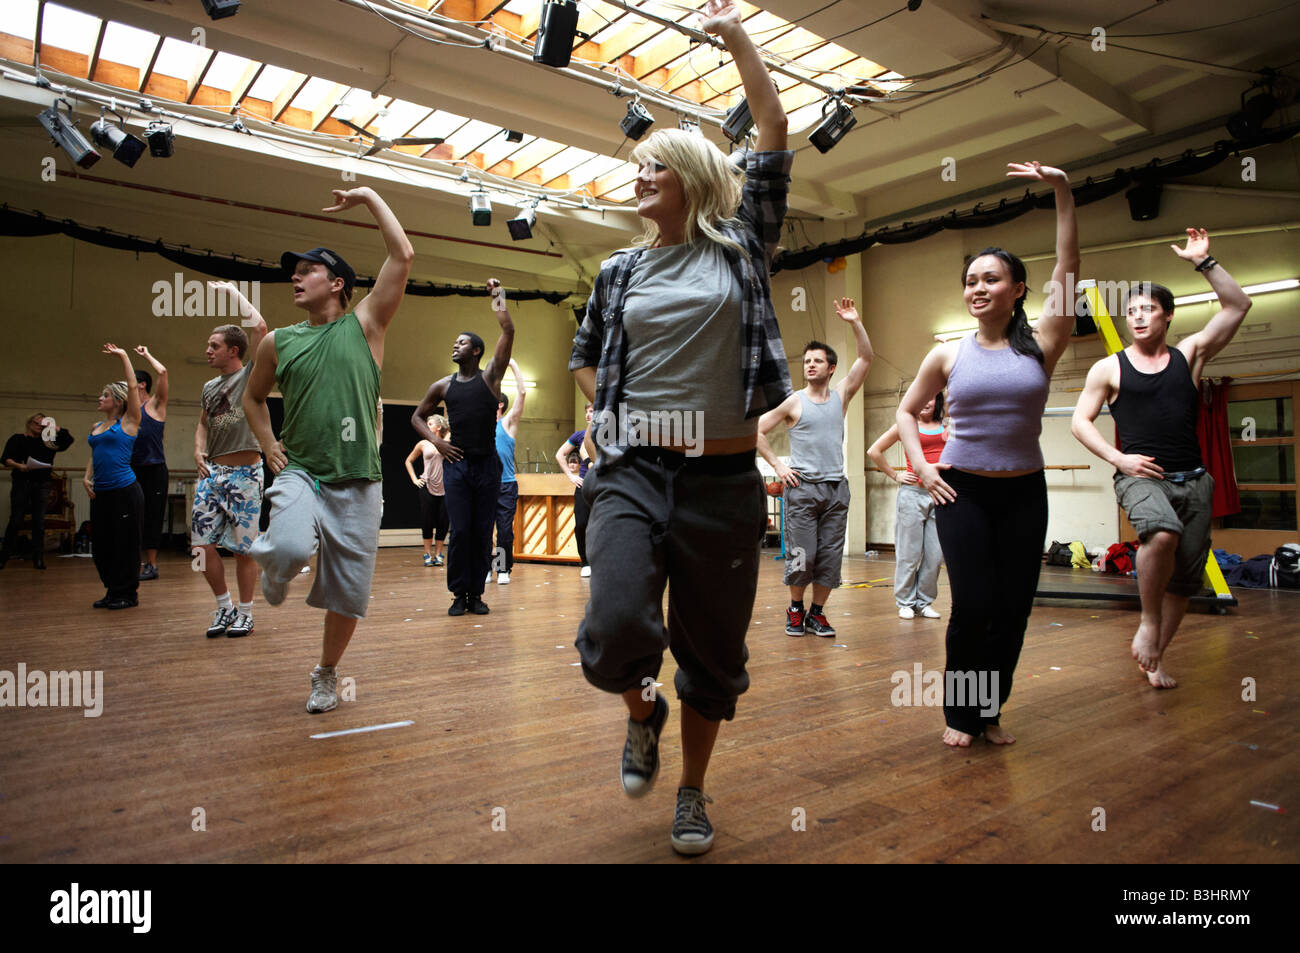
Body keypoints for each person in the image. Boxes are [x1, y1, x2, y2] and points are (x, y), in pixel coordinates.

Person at [568, 0, 792, 856]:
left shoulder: (740, 246)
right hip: (632, 469)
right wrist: (605, 415)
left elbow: (770, 129)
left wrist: (736, 38)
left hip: (723, 480)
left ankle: (692, 793)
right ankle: (640, 709)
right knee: (614, 626)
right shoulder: (619, 269)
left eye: (653, 166)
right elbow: (588, 356)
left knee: (712, 652)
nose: (638, 176)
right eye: (636, 168)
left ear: (694, 176)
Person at [897, 160, 1079, 748]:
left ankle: (991, 709)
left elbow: (1069, 269)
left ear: (1018, 289)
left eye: (991, 278)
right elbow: (905, 412)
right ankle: (961, 712)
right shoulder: (947, 357)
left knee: (1014, 607)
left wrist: (1062, 193)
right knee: (973, 605)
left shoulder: (1043, 344)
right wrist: (923, 467)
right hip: (962, 491)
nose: (978, 287)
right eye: (971, 279)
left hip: (1024, 491)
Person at [243, 187, 414, 714]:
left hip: (360, 479)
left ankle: (326, 673)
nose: (295, 276)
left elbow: (402, 255)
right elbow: (252, 398)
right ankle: (278, 568)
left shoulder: (365, 325)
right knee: (291, 550)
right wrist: (269, 444)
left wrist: (366, 196)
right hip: (303, 471)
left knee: (346, 593)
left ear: (337, 284)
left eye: (307, 270)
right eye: (293, 272)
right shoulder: (278, 342)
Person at [1071, 230, 1251, 689]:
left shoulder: (1188, 355)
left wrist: (1205, 261)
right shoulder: (1109, 367)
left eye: (1147, 309)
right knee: (1162, 532)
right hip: (1141, 476)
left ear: (1167, 316)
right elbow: (1080, 422)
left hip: (1194, 480)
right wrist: (1120, 460)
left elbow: (1238, 306)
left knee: (1186, 581)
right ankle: (1147, 623)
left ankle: (1154, 657)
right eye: (1130, 311)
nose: (1137, 317)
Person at [756, 298, 873, 637]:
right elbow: (757, 431)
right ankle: (795, 609)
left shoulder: (842, 395)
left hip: (837, 488)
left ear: (831, 367)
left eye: (817, 360)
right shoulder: (794, 401)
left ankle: (817, 613)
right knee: (800, 555)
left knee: (830, 557)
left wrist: (854, 322)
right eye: (806, 361)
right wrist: (778, 465)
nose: (810, 365)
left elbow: (866, 358)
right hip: (803, 489)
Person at [411, 283, 515, 616]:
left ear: (476, 351)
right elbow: (417, 417)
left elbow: (508, 329)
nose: (455, 345)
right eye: (455, 342)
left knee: (483, 531)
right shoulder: (443, 385)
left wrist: (497, 296)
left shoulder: (490, 378)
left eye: (462, 342)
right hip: (457, 466)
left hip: (487, 466)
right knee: (461, 530)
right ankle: (458, 594)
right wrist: (437, 441)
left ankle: (477, 594)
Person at [193, 282, 269, 639]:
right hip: (213, 473)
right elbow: (202, 423)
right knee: (201, 543)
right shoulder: (209, 387)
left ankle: (247, 612)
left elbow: (260, 329)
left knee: (243, 550)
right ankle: (224, 607)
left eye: (214, 345)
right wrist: (197, 448)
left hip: (245, 474)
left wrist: (231, 293)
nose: (207, 350)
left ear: (233, 350)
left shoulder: (250, 375)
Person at [867, 392, 947, 620]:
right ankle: (905, 602)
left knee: (935, 555)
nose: (926, 401)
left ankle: (924, 602)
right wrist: (895, 475)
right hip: (912, 494)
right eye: (923, 397)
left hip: (939, 494)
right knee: (909, 553)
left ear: (937, 401)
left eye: (932, 397)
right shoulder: (906, 424)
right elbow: (874, 450)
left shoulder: (945, 425)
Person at [84, 344, 144, 609]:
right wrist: (87, 477)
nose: (100, 398)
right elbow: (95, 453)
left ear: (117, 401)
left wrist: (124, 357)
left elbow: (133, 389)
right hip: (101, 492)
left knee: (125, 545)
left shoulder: (129, 422)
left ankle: (127, 594)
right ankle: (112, 590)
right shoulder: (98, 427)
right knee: (102, 546)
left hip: (124, 492)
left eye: (105, 395)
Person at [1, 412, 74, 570]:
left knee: (39, 522)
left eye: (42, 425)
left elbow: (68, 440)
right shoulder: (17, 439)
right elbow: (5, 458)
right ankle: (3, 557)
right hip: (22, 482)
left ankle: (38, 559)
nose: (39, 426)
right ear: (29, 423)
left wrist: (54, 427)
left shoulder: (48, 442)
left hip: (42, 484)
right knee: (16, 520)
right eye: (36, 423)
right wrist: (20, 466)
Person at [130, 346, 169, 581]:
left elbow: (163, 372)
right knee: (132, 516)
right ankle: (131, 561)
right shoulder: (127, 411)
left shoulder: (154, 405)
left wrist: (146, 355)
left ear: (142, 384)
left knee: (153, 516)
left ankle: (151, 565)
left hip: (154, 469)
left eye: (132, 382)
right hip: (131, 469)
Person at [491, 360, 526, 584]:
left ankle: (502, 568)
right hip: (484, 484)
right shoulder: (480, 424)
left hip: (505, 484)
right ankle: (486, 567)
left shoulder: (507, 423)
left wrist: (511, 363)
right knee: (484, 530)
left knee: (504, 530)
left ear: (500, 404)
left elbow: (522, 392)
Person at [404, 414, 450, 568]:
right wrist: (414, 479)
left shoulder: (447, 441)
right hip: (427, 486)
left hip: (445, 487)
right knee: (427, 520)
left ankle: (438, 554)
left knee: (443, 521)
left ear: (438, 426)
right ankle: (427, 554)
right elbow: (408, 461)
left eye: (430, 424)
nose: (427, 426)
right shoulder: (423, 443)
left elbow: (452, 430)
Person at [555, 402, 594, 576]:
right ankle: (585, 562)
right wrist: (571, 476)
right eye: (587, 411)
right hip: (583, 485)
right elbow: (560, 454)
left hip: (602, 485)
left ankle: (600, 561)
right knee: (581, 524)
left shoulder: (607, 435)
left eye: (592, 411)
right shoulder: (579, 436)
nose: (588, 415)